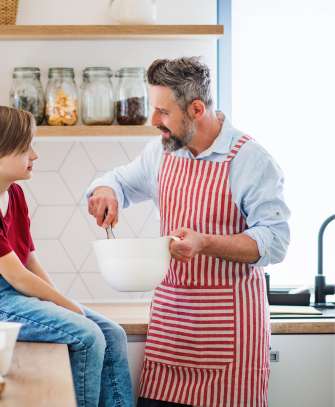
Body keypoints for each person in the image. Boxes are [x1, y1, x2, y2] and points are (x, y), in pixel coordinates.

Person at [86, 57, 290, 407]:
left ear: (196, 109)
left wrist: (206, 243)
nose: (154, 121)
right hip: (171, 334)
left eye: (163, 112)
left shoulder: (250, 160)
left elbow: (275, 242)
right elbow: (117, 180)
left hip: (230, 344)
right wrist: (106, 192)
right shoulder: (161, 153)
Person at [0, 105, 134, 407]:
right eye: (24, 148)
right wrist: (70, 309)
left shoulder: (14, 194)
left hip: (5, 294)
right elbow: (16, 276)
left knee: (113, 333)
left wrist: (63, 303)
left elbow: (29, 261)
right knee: (89, 336)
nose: (35, 154)